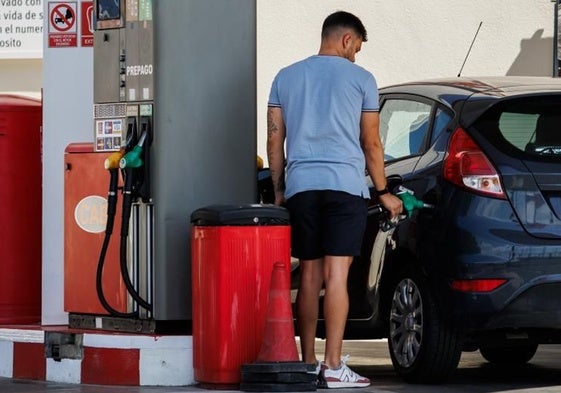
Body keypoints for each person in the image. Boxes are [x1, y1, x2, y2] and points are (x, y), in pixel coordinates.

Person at [266, 10, 403, 389]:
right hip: (344, 187)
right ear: (345, 39)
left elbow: (274, 140)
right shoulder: (362, 80)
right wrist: (383, 192)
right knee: (337, 275)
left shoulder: (286, 77)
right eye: (356, 48)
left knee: (308, 274)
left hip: (301, 188)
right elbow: (371, 142)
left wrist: (279, 191)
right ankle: (333, 366)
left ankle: (307, 363)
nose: (356, 56)